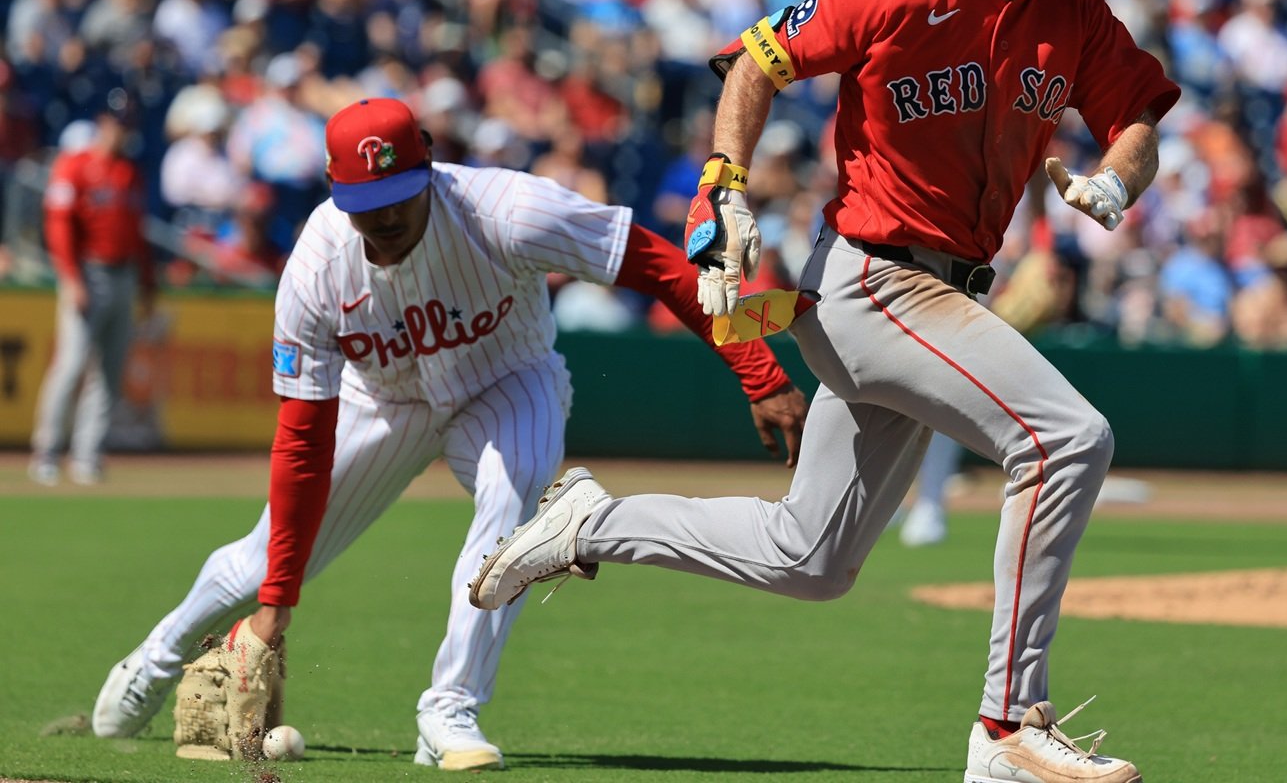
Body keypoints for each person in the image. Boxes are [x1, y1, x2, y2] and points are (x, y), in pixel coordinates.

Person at [470, 0, 1179, 783]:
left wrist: (1117, 178)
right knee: (1067, 440)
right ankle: (1008, 726)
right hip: (871, 280)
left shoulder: (1075, 9)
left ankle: (590, 520)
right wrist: (723, 184)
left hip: (939, 294)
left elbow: (1138, 116)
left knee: (810, 557)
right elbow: (756, 65)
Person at [91, 97, 807, 769]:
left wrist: (760, 371)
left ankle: (449, 710)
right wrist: (276, 605)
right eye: (367, 203)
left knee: (513, 500)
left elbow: (660, 266)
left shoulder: (509, 210)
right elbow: (302, 440)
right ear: (336, 191)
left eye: (400, 191)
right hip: (385, 401)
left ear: (428, 168)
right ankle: (152, 661)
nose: (388, 215)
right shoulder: (315, 267)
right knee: (260, 563)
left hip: (508, 380)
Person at [30, 110, 155, 486]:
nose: (120, 132)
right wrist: (71, 278)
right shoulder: (75, 165)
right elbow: (59, 225)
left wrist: (147, 282)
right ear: (102, 124)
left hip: (124, 274)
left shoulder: (130, 172)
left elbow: (137, 232)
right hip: (89, 270)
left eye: (126, 125)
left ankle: (88, 454)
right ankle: (47, 451)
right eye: (116, 124)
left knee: (110, 371)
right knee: (70, 364)